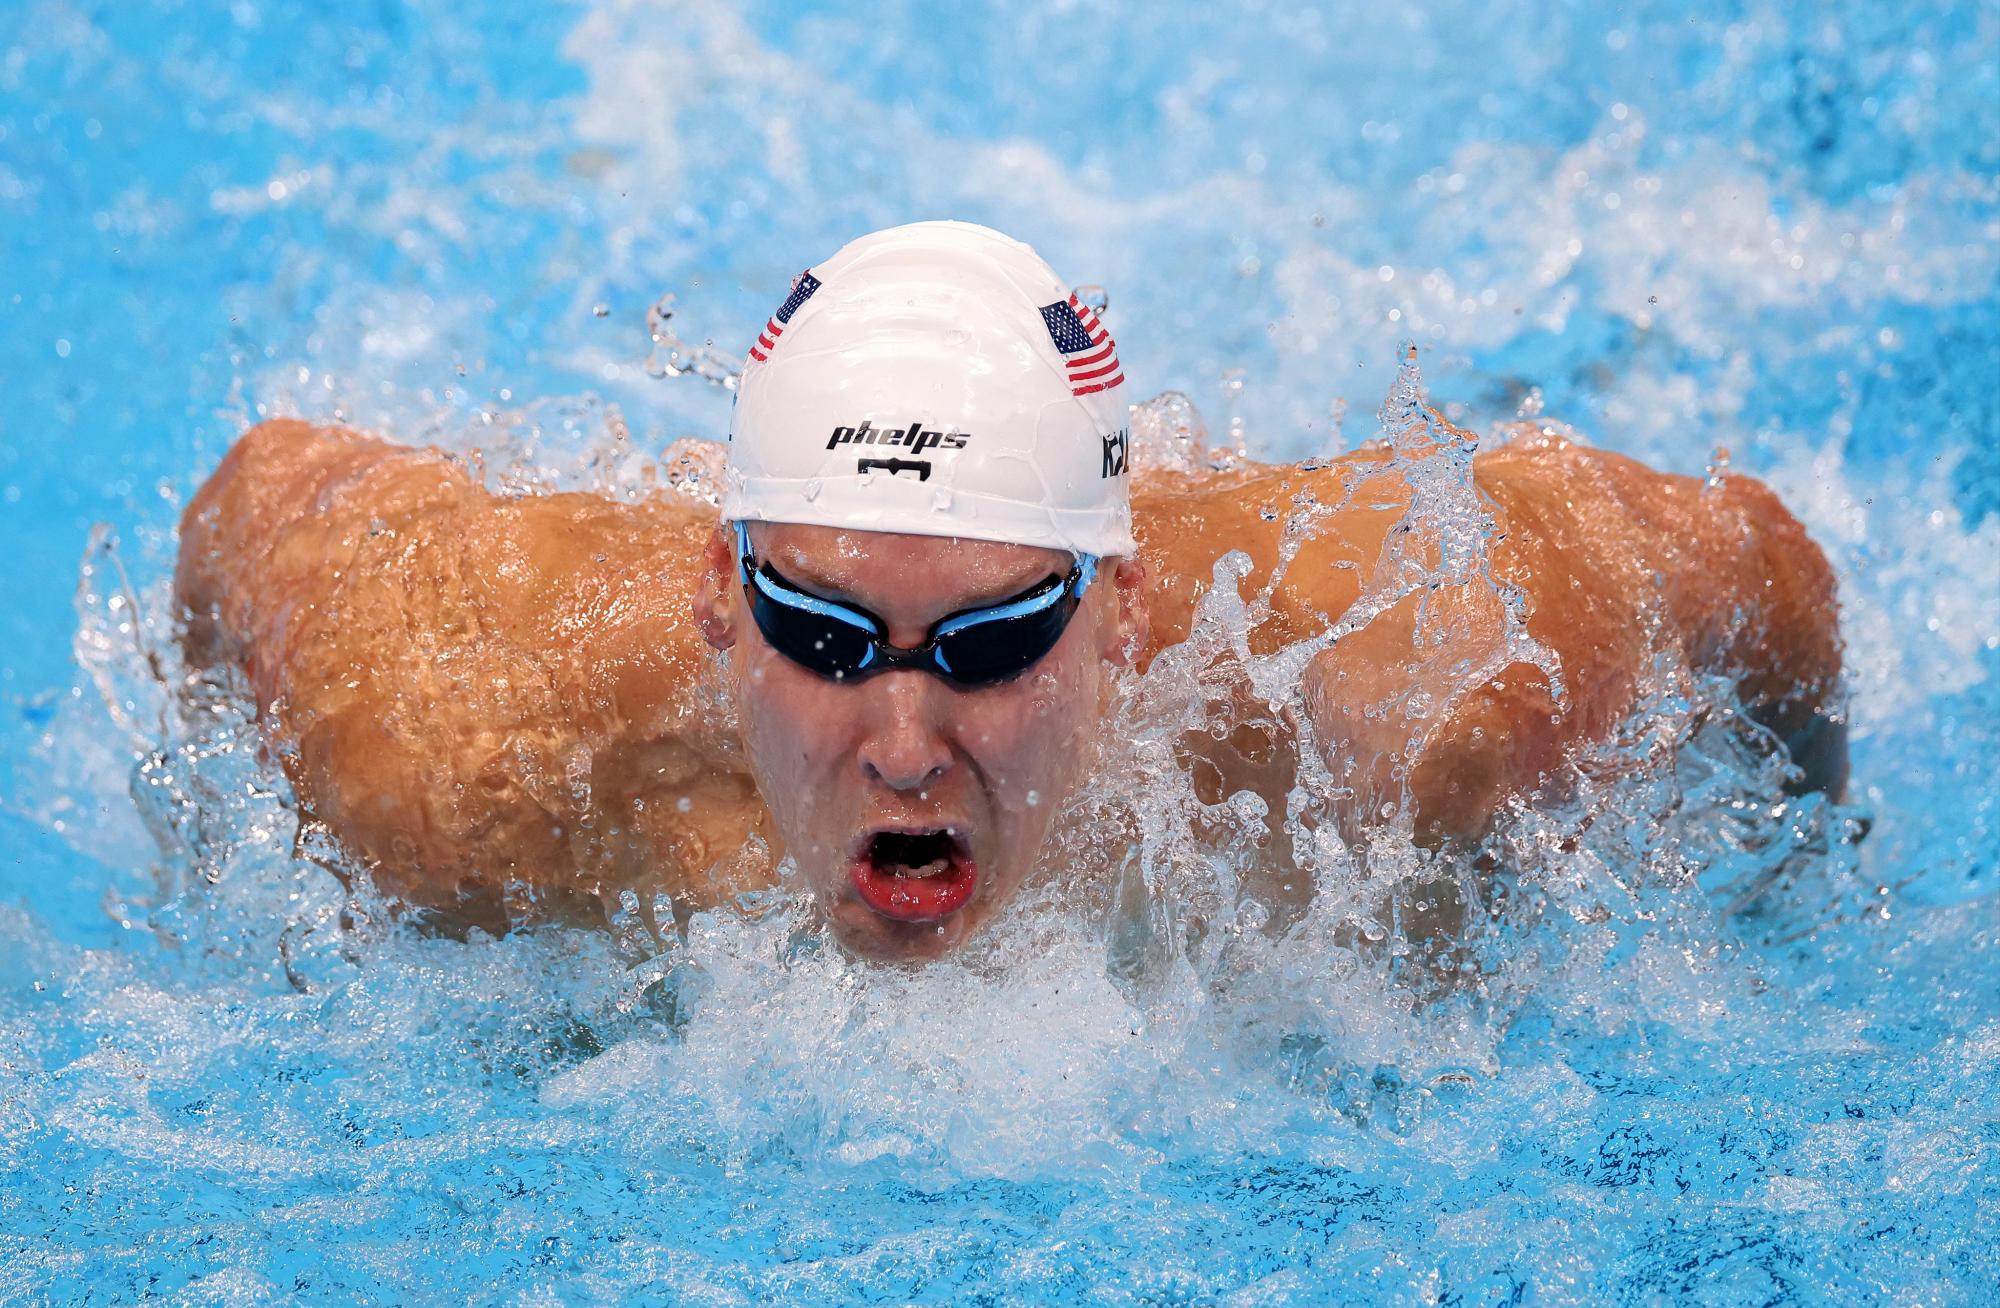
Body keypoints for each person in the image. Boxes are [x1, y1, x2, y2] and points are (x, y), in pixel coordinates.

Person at [174, 221, 1845, 961]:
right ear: (714, 595)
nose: (905, 743)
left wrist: (1810, 866)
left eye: (991, 645)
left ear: (1120, 618)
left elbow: (1764, 565)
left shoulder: (1411, 691)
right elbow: (254, 501)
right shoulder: (469, 748)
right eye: (823, 637)